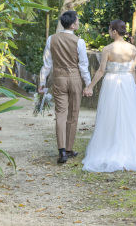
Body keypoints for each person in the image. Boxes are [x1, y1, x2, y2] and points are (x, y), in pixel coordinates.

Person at [81, 19, 136, 172]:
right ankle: (133, 148)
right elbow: (132, 71)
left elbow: (101, 71)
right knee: (130, 117)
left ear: (114, 31)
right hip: (128, 83)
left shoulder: (107, 49)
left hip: (112, 83)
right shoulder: (132, 49)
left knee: (111, 116)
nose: (109, 32)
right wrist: (134, 91)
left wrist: (89, 86)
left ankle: (109, 147)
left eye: (110, 29)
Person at [39, 10, 92, 164]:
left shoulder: (51, 39)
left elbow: (47, 65)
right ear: (73, 24)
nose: (78, 23)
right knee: (73, 114)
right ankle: (69, 148)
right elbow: (83, 66)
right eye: (78, 20)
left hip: (59, 79)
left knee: (60, 114)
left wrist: (42, 83)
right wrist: (88, 85)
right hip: (75, 79)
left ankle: (62, 150)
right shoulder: (79, 42)